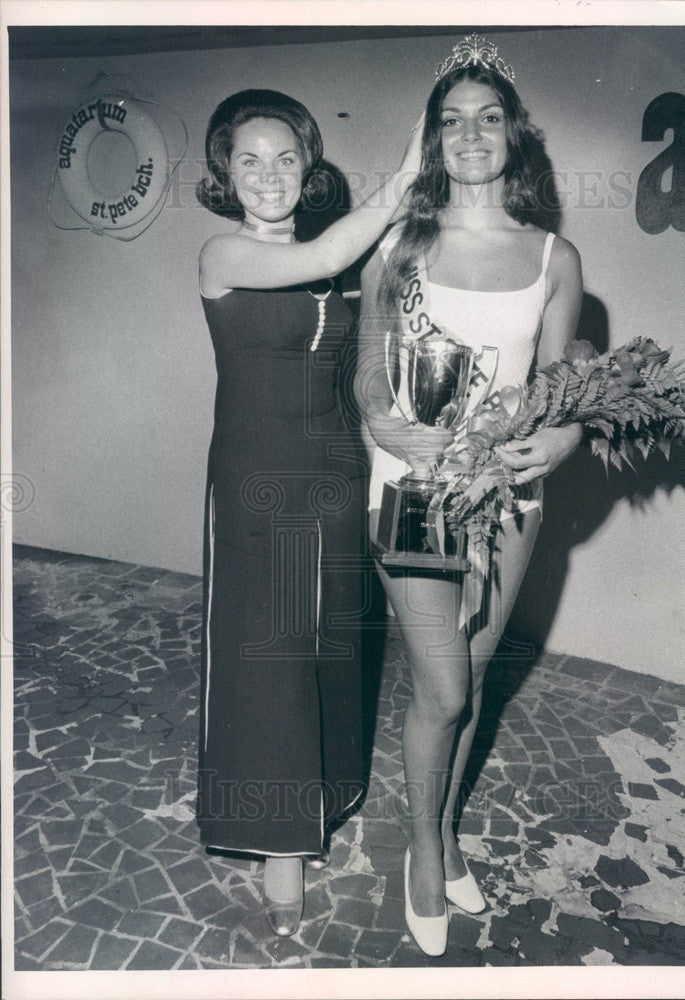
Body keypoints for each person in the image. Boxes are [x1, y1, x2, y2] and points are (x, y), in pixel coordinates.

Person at [355, 37, 584, 956]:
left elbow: (565, 384)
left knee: (479, 675)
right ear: (432, 139)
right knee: (442, 690)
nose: (470, 135)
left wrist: (562, 438)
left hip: (510, 499)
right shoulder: (400, 245)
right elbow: (371, 371)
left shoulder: (555, 256)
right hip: (412, 489)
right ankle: (420, 848)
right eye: (450, 121)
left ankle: (448, 834)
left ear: (514, 136)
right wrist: (385, 421)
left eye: (488, 118)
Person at [195, 88, 423, 937]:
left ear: (308, 164)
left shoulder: (336, 261)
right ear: (225, 173)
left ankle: (322, 792)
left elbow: (371, 328)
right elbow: (333, 244)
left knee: (330, 638)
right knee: (274, 656)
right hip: (259, 478)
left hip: (334, 470)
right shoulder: (224, 255)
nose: (268, 175)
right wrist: (404, 175)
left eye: (285, 157)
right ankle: (279, 842)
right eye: (248, 160)